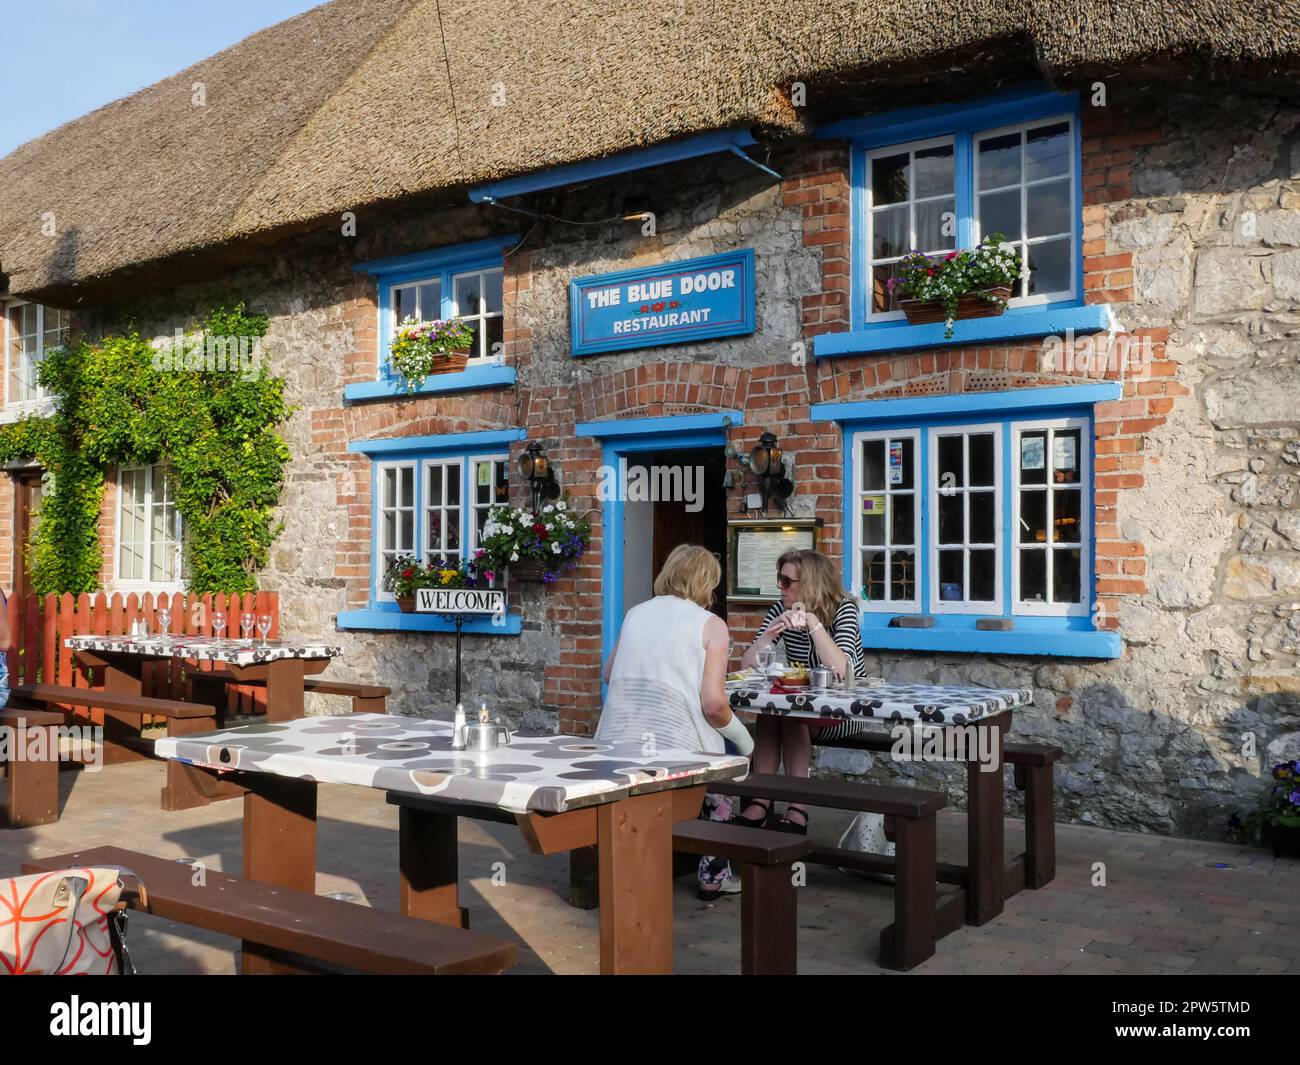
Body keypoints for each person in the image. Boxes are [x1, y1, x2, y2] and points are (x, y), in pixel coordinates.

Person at [597, 544, 753, 899]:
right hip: (678, 749)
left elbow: (609, 674)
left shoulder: (636, 613)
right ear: (706, 582)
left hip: (616, 742)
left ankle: (628, 868)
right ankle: (714, 873)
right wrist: (746, 744)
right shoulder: (711, 625)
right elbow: (714, 705)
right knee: (727, 763)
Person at [737, 548, 865, 834]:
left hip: (844, 710)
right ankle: (761, 800)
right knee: (770, 713)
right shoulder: (779, 608)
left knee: (791, 713)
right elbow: (746, 667)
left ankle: (797, 808)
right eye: (780, 579)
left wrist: (813, 623)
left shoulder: (843, 608)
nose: (779, 587)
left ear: (810, 584)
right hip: (803, 706)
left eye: (786, 581)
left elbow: (842, 672)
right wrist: (770, 633)